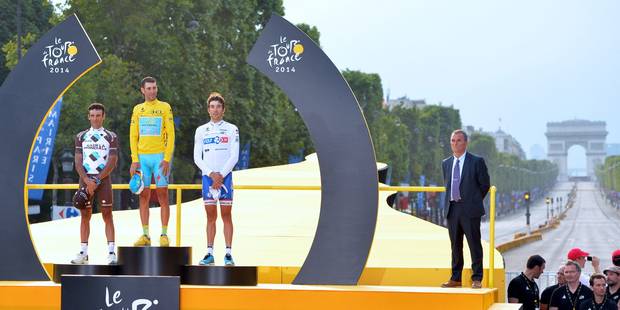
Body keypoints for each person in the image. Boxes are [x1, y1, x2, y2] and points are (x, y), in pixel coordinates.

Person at [440, 129, 490, 289]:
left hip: (470, 210)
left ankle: (477, 278)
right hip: (452, 209)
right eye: (453, 141)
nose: (455, 143)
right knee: (455, 246)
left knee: (474, 244)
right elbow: (447, 185)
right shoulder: (446, 163)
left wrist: (473, 201)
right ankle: (455, 278)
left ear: (466, 142)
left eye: (459, 140)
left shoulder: (476, 161)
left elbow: (485, 185)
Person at [193, 92, 239, 266]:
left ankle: (228, 254)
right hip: (208, 178)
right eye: (212, 106)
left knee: (226, 215)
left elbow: (234, 156)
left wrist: (221, 175)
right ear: (208, 109)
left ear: (223, 109)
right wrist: (211, 174)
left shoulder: (232, 129)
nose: (215, 110)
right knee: (210, 216)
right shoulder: (201, 130)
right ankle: (209, 253)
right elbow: (197, 157)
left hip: (225, 178)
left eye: (218, 106)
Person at [129, 76, 175, 247]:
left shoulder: (165, 107)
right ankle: (145, 235)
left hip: (159, 158)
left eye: (154, 88)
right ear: (142, 90)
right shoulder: (137, 109)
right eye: (149, 88)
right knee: (143, 196)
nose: (152, 91)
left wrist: (167, 158)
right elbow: (133, 136)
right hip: (142, 159)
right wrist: (134, 160)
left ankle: (164, 233)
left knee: (163, 195)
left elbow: (171, 134)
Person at [71, 103, 119, 264]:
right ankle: (83, 252)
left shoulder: (110, 136)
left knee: (107, 215)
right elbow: (78, 161)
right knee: (85, 216)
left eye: (98, 115)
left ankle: (112, 253)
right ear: (88, 117)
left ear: (103, 116)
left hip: (103, 179)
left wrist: (97, 180)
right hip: (85, 178)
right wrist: (86, 180)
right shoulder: (81, 136)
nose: (95, 118)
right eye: (92, 115)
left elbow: (112, 161)